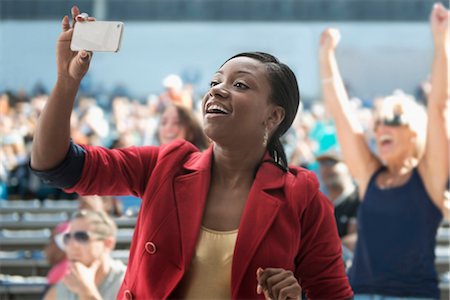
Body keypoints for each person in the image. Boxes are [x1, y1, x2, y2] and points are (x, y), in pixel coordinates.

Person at [31, 6, 353, 299]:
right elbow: (55, 166)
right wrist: (66, 80)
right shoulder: (164, 165)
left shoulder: (303, 197)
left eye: (240, 85)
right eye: (216, 81)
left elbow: (334, 295)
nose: (217, 89)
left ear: (273, 116)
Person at [318, 3, 449, 299]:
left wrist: (442, 42)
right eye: (377, 122)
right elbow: (342, 116)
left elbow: (439, 106)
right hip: (360, 293)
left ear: (415, 131)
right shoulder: (371, 175)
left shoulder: (428, 176)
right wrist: (326, 58)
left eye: (392, 120)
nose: (380, 129)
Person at [43, 209, 126, 300]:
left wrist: (87, 292)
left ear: (108, 243)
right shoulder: (62, 288)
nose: (72, 245)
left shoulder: (128, 283)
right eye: (67, 237)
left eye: (82, 237)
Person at [316, 149, 359, 251]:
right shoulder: (320, 207)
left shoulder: (362, 198)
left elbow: (360, 240)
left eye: (332, 162)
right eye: (322, 164)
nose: (326, 168)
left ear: (349, 166)